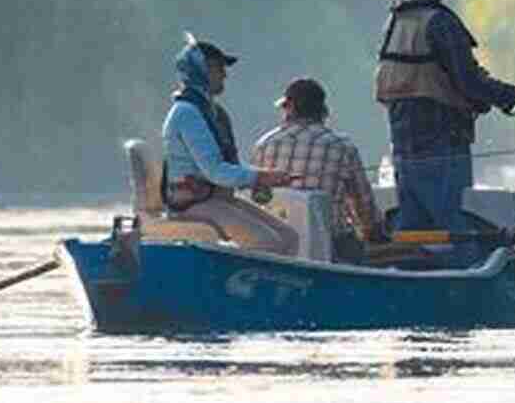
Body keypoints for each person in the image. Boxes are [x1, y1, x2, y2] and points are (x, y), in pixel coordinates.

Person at [374, 0, 515, 266]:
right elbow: (470, 83)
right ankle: (462, 279)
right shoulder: (441, 23)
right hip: (441, 133)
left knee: (413, 222)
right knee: (453, 217)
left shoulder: (397, 20)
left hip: (401, 135)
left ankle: (408, 275)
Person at [161, 34, 298, 256]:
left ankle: (282, 290)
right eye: (217, 68)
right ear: (199, 70)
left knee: (290, 237)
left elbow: (229, 164)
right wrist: (261, 177)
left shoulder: (212, 112)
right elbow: (215, 171)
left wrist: (265, 176)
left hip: (215, 198)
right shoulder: (187, 113)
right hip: (191, 204)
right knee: (269, 243)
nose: (225, 74)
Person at [252, 78, 386, 263]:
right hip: (330, 242)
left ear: (288, 108)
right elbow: (364, 206)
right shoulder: (342, 146)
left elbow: (255, 195)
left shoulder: (263, 145)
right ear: (323, 110)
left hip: (277, 238)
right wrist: (373, 233)